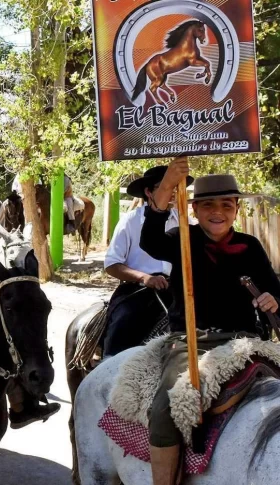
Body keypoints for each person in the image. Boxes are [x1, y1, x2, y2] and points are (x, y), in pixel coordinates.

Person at [142, 157, 280, 485]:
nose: (217, 211)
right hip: (191, 340)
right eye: (207, 205)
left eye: (226, 205)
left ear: (236, 209)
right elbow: (149, 240)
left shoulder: (250, 246)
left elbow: (274, 288)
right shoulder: (181, 239)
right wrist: (165, 187)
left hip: (245, 342)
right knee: (166, 407)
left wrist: (273, 298)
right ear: (195, 210)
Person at [101, 166, 194, 357]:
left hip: (179, 289)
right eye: (165, 188)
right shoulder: (130, 221)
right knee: (124, 321)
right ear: (148, 192)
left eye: (175, 188)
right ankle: (108, 364)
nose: (172, 194)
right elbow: (111, 264)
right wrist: (144, 277)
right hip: (139, 290)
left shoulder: (187, 222)